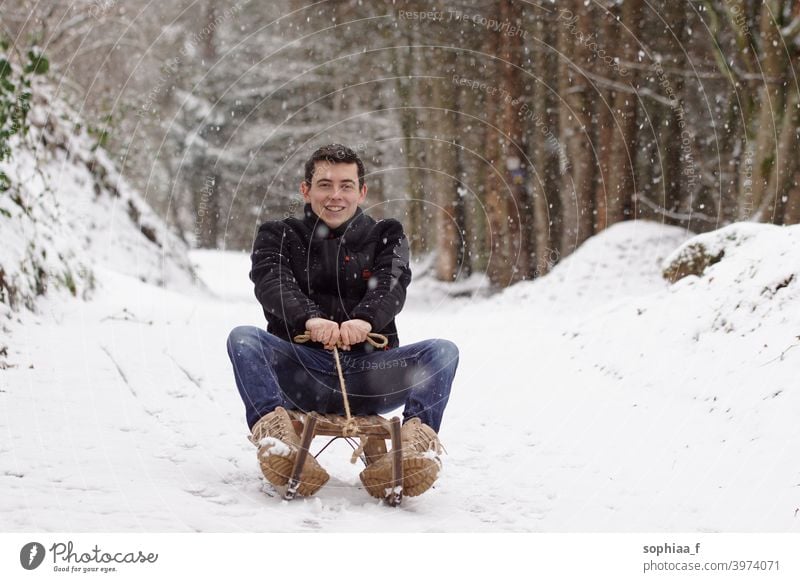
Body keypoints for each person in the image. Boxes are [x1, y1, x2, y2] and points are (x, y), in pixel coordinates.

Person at [227, 144, 459, 499]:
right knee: (243, 338)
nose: (335, 195)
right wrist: (310, 318)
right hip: (301, 370)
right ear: (306, 190)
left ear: (362, 192)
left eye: (346, 185)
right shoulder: (278, 235)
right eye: (324, 184)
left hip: (371, 375)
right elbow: (271, 282)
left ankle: (412, 451)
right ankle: (277, 444)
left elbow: (392, 283)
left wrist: (365, 321)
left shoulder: (387, 234)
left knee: (443, 352)